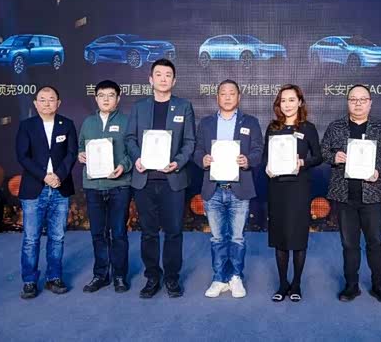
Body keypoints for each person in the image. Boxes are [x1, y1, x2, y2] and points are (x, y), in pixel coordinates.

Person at [125, 59, 195, 298]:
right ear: (150, 79)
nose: (163, 78)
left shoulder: (184, 107)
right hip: (144, 180)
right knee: (148, 232)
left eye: (168, 75)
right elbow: (130, 139)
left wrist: (178, 162)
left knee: (174, 231)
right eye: (159, 74)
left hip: (172, 180)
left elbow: (190, 141)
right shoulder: (139, 107)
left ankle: (172, 278)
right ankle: (152, 277)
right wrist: (137, 158)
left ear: (174, 81)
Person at [322, 84, 381, 303]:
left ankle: (379, 286)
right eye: (353, 99)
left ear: (370, 103)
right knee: (349, 244)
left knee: (375, 242)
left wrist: (378, 169)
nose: (358, 104)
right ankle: (351, 286)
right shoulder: (336, 127)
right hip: (344, 196)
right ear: (348, 102)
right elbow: (323, 150)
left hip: (371, 195)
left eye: (362, 100)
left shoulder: (380, 127)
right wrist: (333, 157)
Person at [193, 80, 263, 298]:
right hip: (213, 189)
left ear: (238, 97)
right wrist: (202, 159)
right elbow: (197, 150)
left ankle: (235, 277)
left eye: (232, 93)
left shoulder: (250, 122)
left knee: (237, 238)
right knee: (217, 238)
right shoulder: (206, 123)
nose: (227, 97)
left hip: (239, 189)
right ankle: (219, 278)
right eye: (223, 93)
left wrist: (248, 160)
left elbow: (258, 150)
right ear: (217, 97)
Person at [15, 85, 78, 299]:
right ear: (35, 103)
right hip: (35, 188)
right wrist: (45, 176)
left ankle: (54, 277)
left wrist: (58, 175)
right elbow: (23, 156)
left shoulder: (66, 124)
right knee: (31, 238)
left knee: (57, 237)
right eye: (42, 99)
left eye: (51, 99)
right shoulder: (27, 126)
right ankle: (29, 281)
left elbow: (71, 153)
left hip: (60, 188)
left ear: (58, 103)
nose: (47, 103)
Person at [264, 85, 322, 302]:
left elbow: (319, 157)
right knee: (280, 238)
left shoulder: (308, 128)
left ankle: (296, 284)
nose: (287, 104)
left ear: (300, 102)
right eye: (283, 100)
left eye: (291, 100)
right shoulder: (273, 127)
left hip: (299, 188)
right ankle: (282, 284)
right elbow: (265, 157)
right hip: (277, 188)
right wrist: (267, 167)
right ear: (278, 104)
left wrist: (303, 162)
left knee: (297, 238)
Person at [77, 80, 133, 294]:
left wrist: (123, 165)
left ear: (118, 98)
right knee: (98, 233)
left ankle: (119, 275)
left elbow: (133, 151)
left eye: (111, 95)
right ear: (96, 98)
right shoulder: (88, 122)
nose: (106, 99)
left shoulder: (127, 122)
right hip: (93, 185)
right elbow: (81, 147)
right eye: (102, 95)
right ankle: (100, 274)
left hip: (119, 185)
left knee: (118, 233)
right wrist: (81, 155)